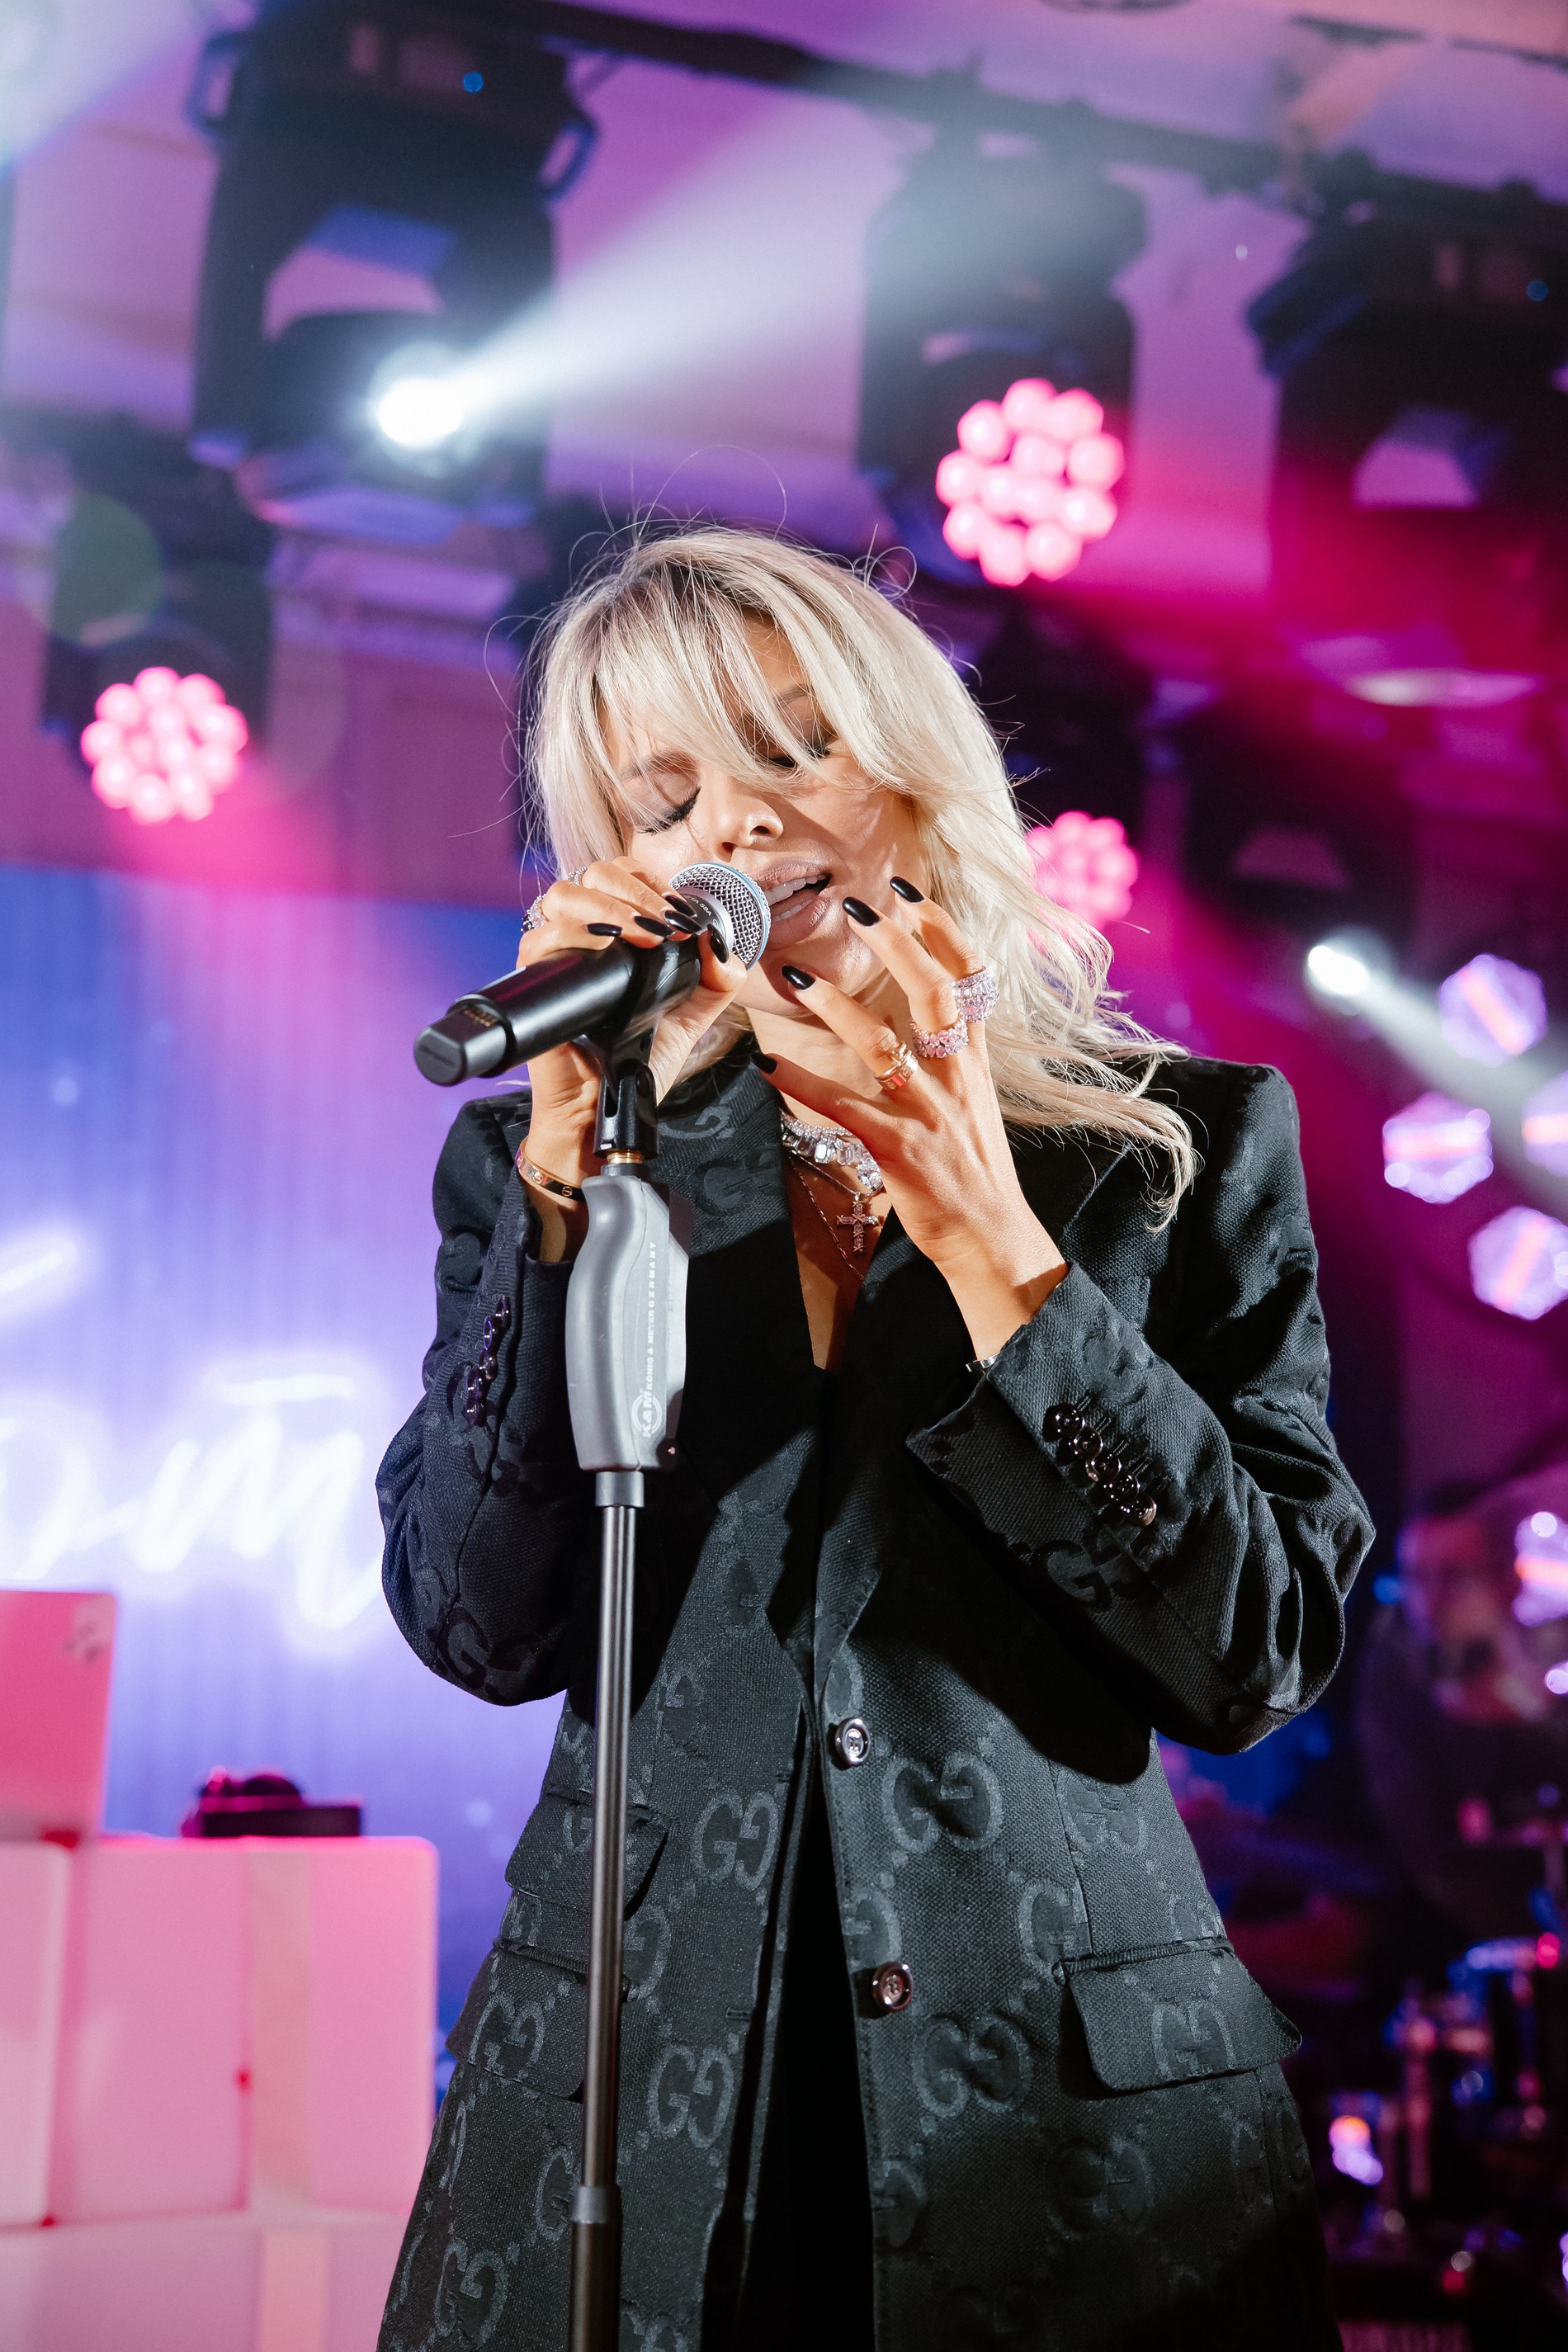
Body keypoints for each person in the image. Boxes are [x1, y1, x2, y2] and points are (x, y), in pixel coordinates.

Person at [376, 528, 1373, 2352]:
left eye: (791, 749)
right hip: (632, 2088)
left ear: (916, 768)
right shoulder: (558, 1167)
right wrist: (561, 1186)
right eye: (665, 794)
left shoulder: (1176, 1150)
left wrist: (992, 1237)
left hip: (1073, 2120)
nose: (737, 824)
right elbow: (476, 1622)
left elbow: (1257, 1652)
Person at [1357, 1485, 1568, 1943]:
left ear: (1508, 1581)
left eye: (1453, 1576)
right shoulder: (1395, 1691)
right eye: (1416, 1577)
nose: (1430, 1601)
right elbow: (1428, 1859)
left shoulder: (1555, 1683)